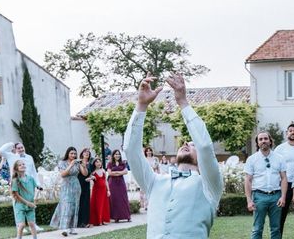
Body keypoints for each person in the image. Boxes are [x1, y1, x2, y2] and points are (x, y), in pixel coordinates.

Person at [124, 73, 224, 238]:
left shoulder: (210, 186)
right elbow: (130, 150)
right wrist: (141, 106)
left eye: (193, 145)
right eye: (186, 143)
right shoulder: (154, 181)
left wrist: (183, 102)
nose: (186, 144)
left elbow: (205, 146)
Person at [244, 131, 288, 239]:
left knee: (276, 228)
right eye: (260, 139)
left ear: (270, 141)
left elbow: (284, 178)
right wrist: (249, 200)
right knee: (257, 228)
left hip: (276, 196)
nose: (263, 141)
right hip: (259, 197)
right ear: (257, 143)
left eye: (265, 138)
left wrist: (283, 197)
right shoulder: (251, 159)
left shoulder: (279, 158)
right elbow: (248, 180)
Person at [275, 122, 294, 237]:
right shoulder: (280, 149)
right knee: (280, 216)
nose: (293, 132)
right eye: (290, 130)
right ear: (286, 133)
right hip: (284, 185)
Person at [50, 146, 83, 236]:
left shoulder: (77, 163)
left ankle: (72, 228)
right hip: (66, 186)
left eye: (75, 153)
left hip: (76, 186)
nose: (73, 155)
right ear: (67, 154)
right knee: (66, 206)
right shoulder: (62, 162)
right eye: (71, 153)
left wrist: (82, 164)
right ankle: (64, 228)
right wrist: (71, 164)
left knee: (75, 207)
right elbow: (63, 174)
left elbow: (84, 173)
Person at [11, 159, 38, 239]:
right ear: (16, 168)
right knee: (22, 225)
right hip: (20, 205)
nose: (22, 165)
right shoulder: (15, 180)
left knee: (32, 224)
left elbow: (35, 190)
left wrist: (34, 200)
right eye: (20, 165)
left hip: (30, 204)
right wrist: (27, 203)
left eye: (23, 164)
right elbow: (16, 195)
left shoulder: (30, 178)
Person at [107, 149, 131, 222]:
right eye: (116, 154)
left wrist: (117, 172)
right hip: (112, 183)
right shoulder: (110, 163)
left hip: (121, 183)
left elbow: (126, 171)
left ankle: (127, 216)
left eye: (118, 154)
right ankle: (116, 217)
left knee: (123, 198)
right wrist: (120, 172)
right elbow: (110, 173)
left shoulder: (122, 163)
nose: (117, 155)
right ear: (113, 155)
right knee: (114, 199)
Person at [88, 157, 110, 226]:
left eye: (99, 161)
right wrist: (91, 178)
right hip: (97, 191)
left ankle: (103, 219)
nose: (98, 163)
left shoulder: (103, 170)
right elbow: (91, 182)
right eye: (97, 162)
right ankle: (98, 220)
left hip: (103, 190)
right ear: (94, 164)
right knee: (98, 205)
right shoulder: (93, 172)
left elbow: (106, 181)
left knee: (104, 205)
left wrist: (108, 190)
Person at [77, 148, 93, 228]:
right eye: (85, 152)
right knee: (80, 203)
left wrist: (91, 177)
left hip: (87, 184)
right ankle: (79, 222)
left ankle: (86, 222)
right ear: (82, 153)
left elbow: (90, 174)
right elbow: (82, 173)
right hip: (80, 183)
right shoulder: (79, 162)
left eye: (88, 152)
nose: (87, 153)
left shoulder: (89, 163)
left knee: (86, 203)